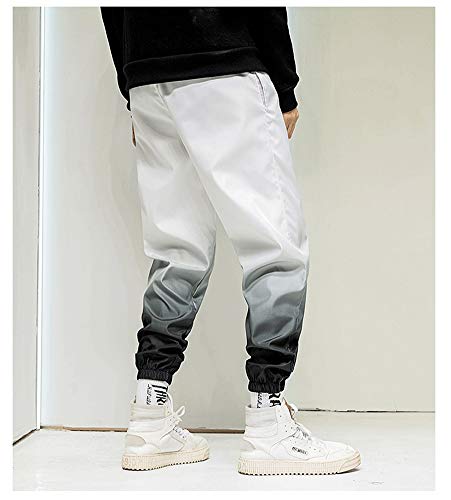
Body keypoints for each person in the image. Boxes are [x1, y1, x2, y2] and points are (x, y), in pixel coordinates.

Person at [101, 6, 360, 475]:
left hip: (147, 72)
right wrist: (284, 86)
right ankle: (268, 422)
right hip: (222, 58)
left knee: (177, 251)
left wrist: (131, 80)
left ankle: (150, 417)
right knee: (275, 248)